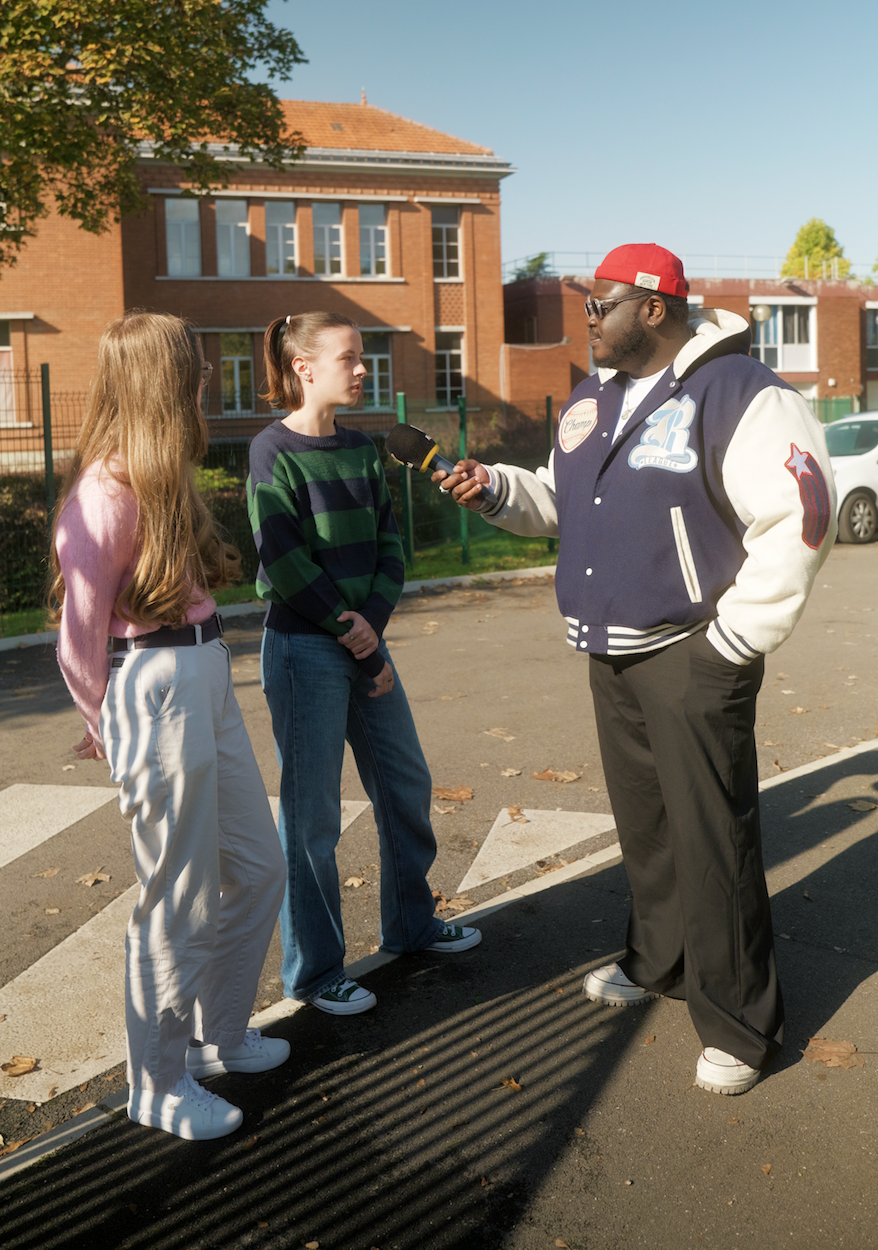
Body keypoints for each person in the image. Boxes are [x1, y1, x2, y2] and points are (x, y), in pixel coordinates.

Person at [437, 243, 836, 1096]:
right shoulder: (591, 403)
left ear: (654, 307)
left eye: (601, 305)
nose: (587, 320)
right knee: (649, 832)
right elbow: (559, 497)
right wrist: (498, 488)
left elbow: (802, 515)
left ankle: (740, 1024)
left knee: (713, 842)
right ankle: (660, 964)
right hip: (610, 654)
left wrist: (732, 642)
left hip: (694, 655)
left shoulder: (743, 394)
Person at [51, 312, 289, 1140]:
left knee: (259, 867)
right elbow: (77, 639)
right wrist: (106, 724)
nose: (207, 378)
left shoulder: (161, 479)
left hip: (205, 666)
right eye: (196, 365)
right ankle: (155, 1083)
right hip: (153, 686)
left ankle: (216, 1036)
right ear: (165, 379)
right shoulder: (103, 497)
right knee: (177, 897)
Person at [247, 312, 480, 1016]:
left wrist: (369, 632)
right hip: (303, 648)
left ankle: (410, 926)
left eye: (363, 357)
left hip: (361, 643)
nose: (362, 369)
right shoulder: (269, 452)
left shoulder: (362, 452)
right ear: (303, 368)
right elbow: (282, 560)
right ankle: (316, 973)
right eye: (349, 358)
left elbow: (390, 548)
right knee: (311, 817)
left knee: (405, 783)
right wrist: (347, 631)